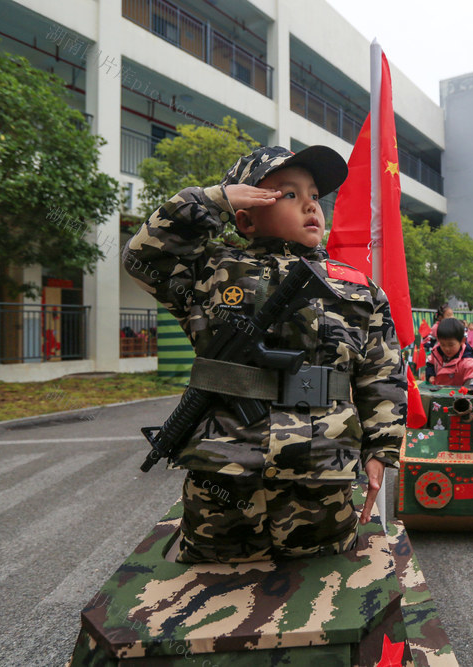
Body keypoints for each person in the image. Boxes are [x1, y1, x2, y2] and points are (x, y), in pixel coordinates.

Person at [122, 145, 405, 563]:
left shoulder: (359, 290)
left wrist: (381, 447)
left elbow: (381, 372)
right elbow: (144, 256)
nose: (311, 203)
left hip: (322, 469)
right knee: (210, 593)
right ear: (245, 216)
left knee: (325, 590)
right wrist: (215, 199)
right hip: (224, 470)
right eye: (288, 194)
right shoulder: (212, 271)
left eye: (314, 194)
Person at [425, 318, 473, 386]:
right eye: (442, 344)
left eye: (451, 345)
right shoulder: (436, 352)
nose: (446, 349)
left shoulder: (467, 359)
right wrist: (430, 375)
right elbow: (430, 364)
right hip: (438, 390)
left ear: (462, 341)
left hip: (458, 394)